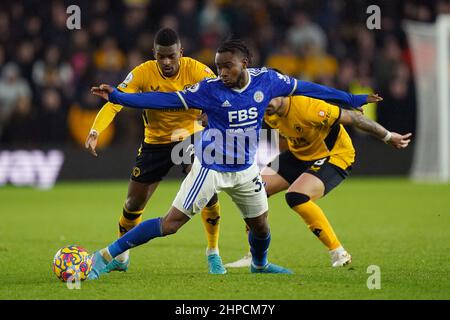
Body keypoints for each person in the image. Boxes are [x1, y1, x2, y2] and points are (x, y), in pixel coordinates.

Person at [87, 39, 373, 279]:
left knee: (261, 226)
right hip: (211, 167)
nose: (221, 72)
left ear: (245, 63)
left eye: (227, 66)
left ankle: (259, 265)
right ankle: (106, 255)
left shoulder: (269, 81)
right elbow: (166, 101)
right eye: (218, 66)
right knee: (170, 224)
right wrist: (120, 98)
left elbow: (310, 89)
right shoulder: (209, 90)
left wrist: (351, 98)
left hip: (246, 169)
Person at [84, 28, 226, 274]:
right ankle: (121, 258)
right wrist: (96, 130)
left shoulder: (199, 71)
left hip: (190, 137)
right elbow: (115, 101)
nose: (167, 61)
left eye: (172, 56)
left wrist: (210, 115)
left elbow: (220, 99)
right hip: (155, 142)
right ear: (154, 54)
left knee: (206, 189)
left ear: (180, 52)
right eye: (162, 56)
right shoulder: (142, 72)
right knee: (132, 203)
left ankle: (213, 252)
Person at [223, 95, 411, 269]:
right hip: (299, 154)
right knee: (253, 193)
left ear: (283, 93)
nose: (265, 107)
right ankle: (254, 255)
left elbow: (355, 119)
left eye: (268, 100)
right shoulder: (267, 110)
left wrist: (387, 136)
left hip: (334, 155)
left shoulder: (307, 107)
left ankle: (338, 252)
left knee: (297, 197)